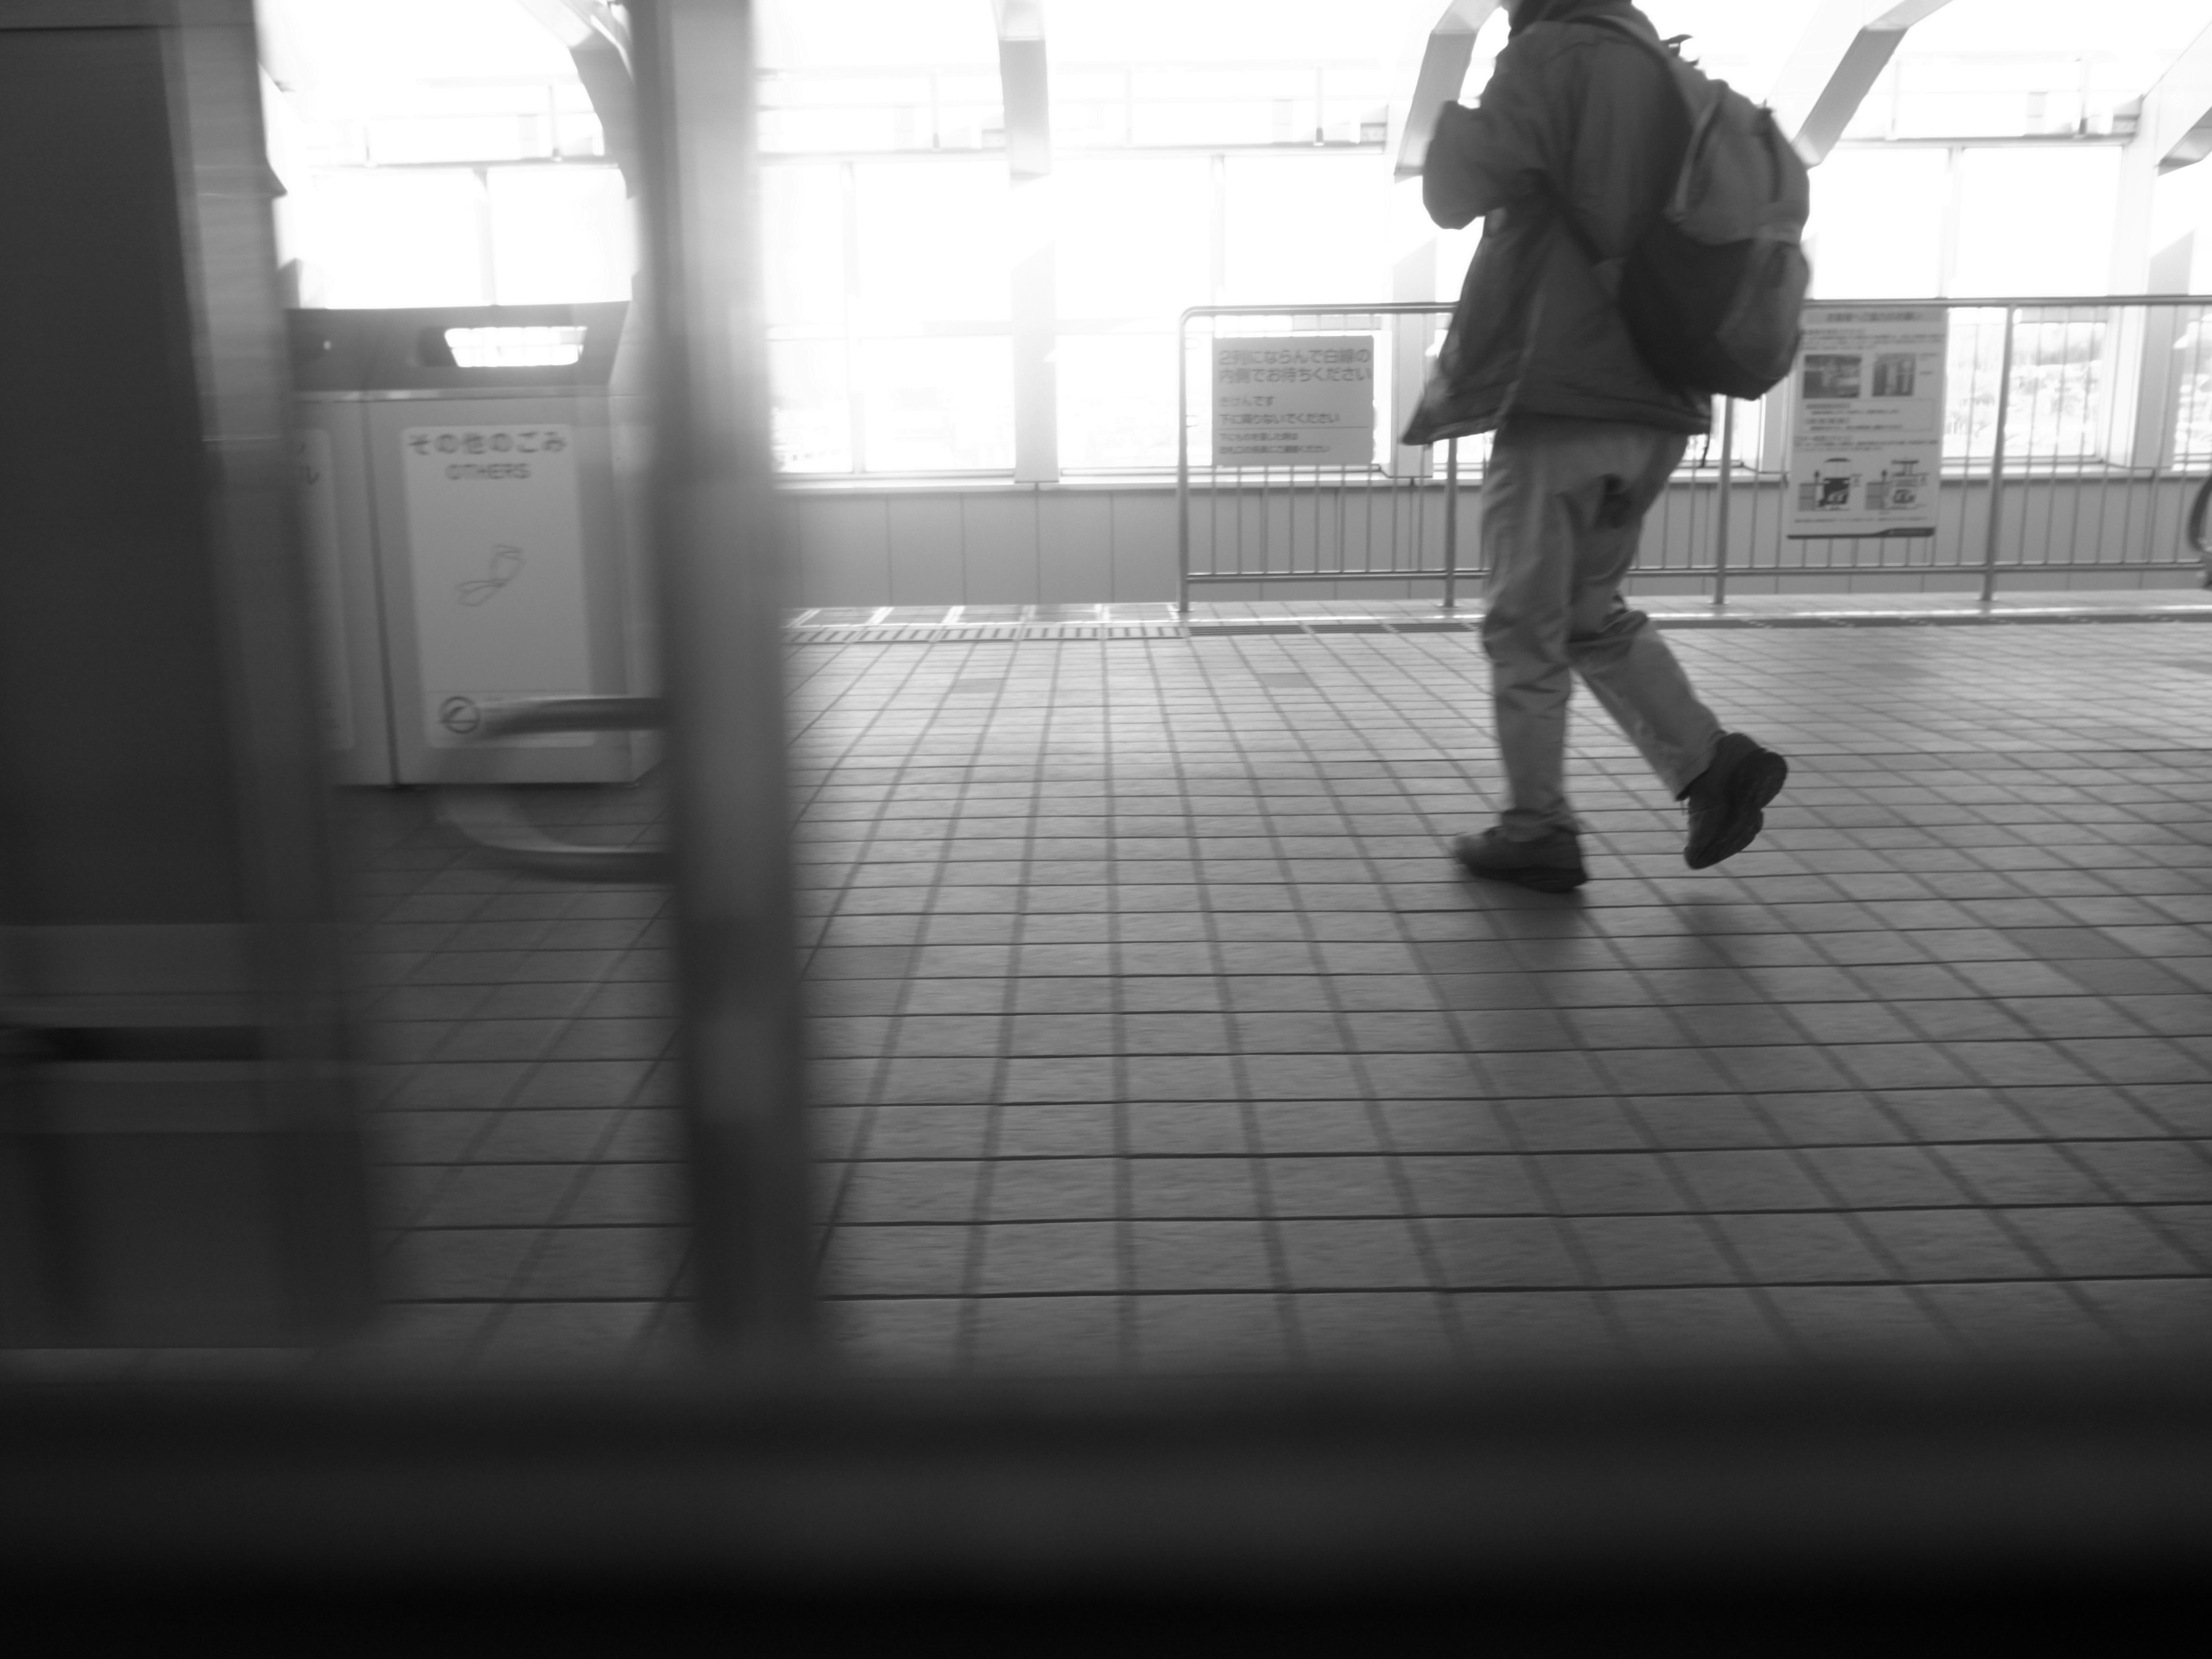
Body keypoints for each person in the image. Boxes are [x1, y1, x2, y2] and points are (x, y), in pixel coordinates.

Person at [1406, 0, 1787, 895]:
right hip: (1660, 399)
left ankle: (1538, 826)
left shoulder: (1554, 54)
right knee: (1586, 613)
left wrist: (1459, 102)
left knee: (1524, 625)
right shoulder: (1673, 72)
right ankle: (1712, 763)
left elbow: (1452, 188)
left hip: (1564, 390)